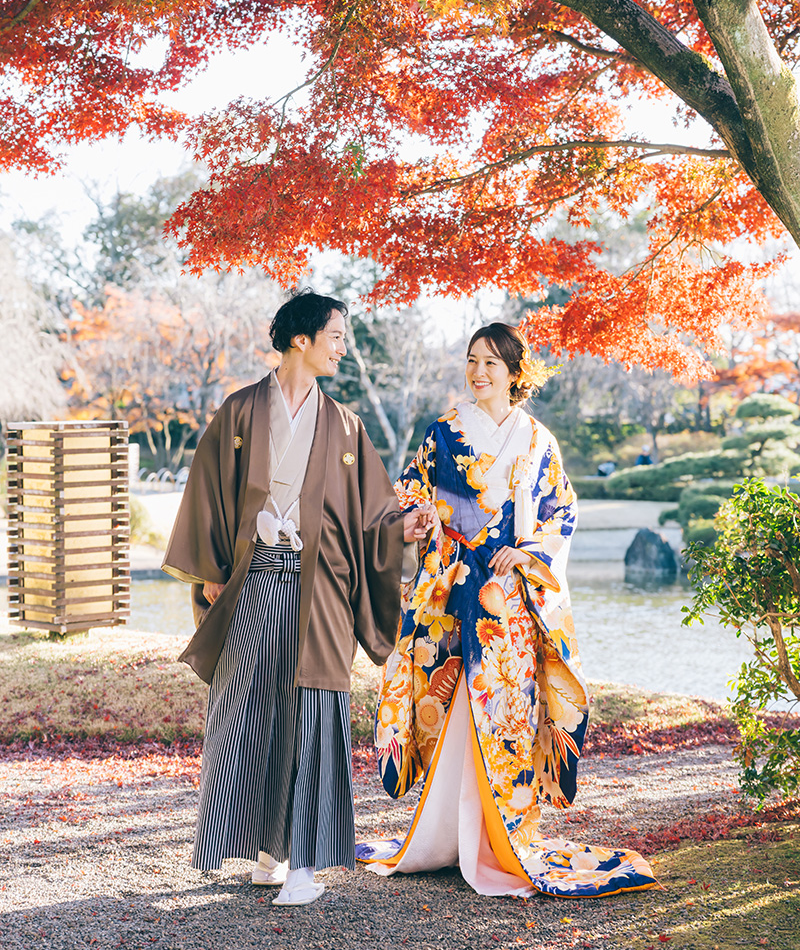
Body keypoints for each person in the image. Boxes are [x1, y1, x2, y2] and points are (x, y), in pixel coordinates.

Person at [357, 323, 656, 899]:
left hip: (509, 597)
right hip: (452, 586)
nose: (480, 372)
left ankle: (501, 838)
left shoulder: (538, 439)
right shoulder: (442, 433)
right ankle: (444, 835)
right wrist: (417, 522)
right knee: (450, 700)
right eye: (472, 361)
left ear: (515, 374)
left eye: (493, 363)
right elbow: (411, 496)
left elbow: (560, 509)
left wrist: (530, 551)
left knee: (506, 710)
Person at [162, 289, 434, 906]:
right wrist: (211, 571)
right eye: (335, 336)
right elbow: (207, 490)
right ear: (300, 341)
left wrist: (401, 528)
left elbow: (373, 511)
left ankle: (305, 865)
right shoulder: (238, 412)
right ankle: (266, 852)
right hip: (254, 579)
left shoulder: (344, 424)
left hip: (322, 590)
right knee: (247, 710)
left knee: (313, 713)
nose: (343, 347)